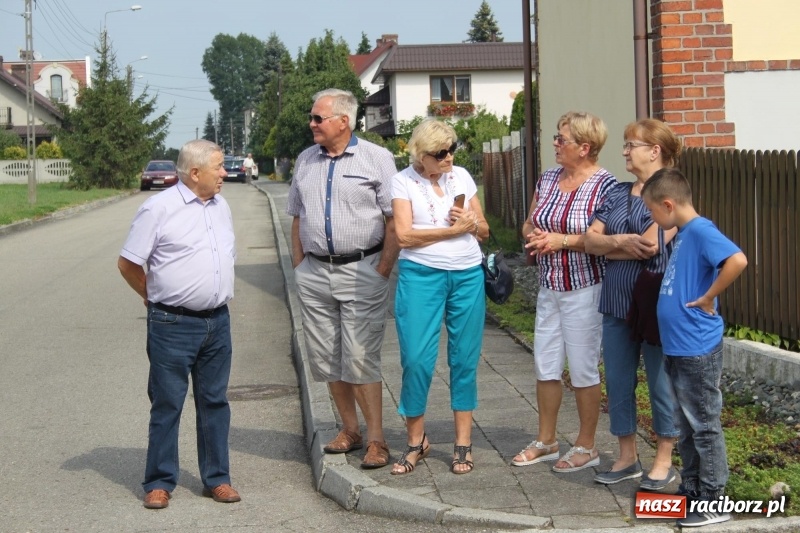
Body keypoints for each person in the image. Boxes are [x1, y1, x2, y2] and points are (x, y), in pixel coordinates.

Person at [118, 139, 240, 509]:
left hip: (217, 322)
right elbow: (128, 264)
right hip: (172, 324)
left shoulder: (221, 206)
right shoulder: (158, 208)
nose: (224, 173)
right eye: (218, 167)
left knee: (214, 402)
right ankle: (159, 481)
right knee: (168, 402)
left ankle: (217, 478)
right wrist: (152, 297)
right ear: (195, 173)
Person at [287, 88, 399, 469]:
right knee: (327, 355)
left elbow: (393, 220)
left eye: (319, 118)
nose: (312, 124)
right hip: (315, 272)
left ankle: (378, 440)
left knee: (360, 356)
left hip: (362, 270)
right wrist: (300, 266)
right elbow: (297, 216)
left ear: (343, 121)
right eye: (313, 117)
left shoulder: (378, 159)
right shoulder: (305, 160)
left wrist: (382, 270)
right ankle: (350, 431)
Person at [641, 168, 747, 528]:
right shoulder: (684, 233)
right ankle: (693, 489)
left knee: (703, 425)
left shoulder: (701, 231)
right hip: (678, 347)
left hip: (697, 348)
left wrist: (709, 297)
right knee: (684, 425)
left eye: (654, 212)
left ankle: (715, 498)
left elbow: (737, 260)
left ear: (668, 204)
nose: (654, 220)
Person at [512, 111, 616, 473]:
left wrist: (563, 241)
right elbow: (530, 221)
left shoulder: (606, 186)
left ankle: (587, 446)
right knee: (545, 364)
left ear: (585, 148)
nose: (555, 144)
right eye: (556, 138)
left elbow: (602, 241)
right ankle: (547, 440)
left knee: (584, 369)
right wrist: (534, 236)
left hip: (584, 289)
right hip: (549, 286)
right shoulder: (548, 178)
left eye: (562, 139)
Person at [584, 118, 681, 490]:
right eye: (624, 145)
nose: (624, 151)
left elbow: (652, 244)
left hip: (655, 305)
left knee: (660, 382)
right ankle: (626, 457)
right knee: (618, 382)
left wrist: (611, 244)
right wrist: (621, 245)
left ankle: (663, 458)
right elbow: (589, 242)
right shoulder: (617, 192)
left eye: (631, 145)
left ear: (654, 151)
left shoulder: (671, 188)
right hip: (616, 302)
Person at [389, 119, 489, 476]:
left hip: (467, 276)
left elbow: (485, 229)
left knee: (464, 359)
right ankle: (417, 442)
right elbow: (403, 236)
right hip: (421, 277)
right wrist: (451, 231)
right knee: (416, 359)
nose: (448, 158)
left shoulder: (461, 176)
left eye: (452, 149)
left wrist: (470, 224)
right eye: (440, 153)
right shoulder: (402, 181)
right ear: (421, 154)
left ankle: (463, 443)